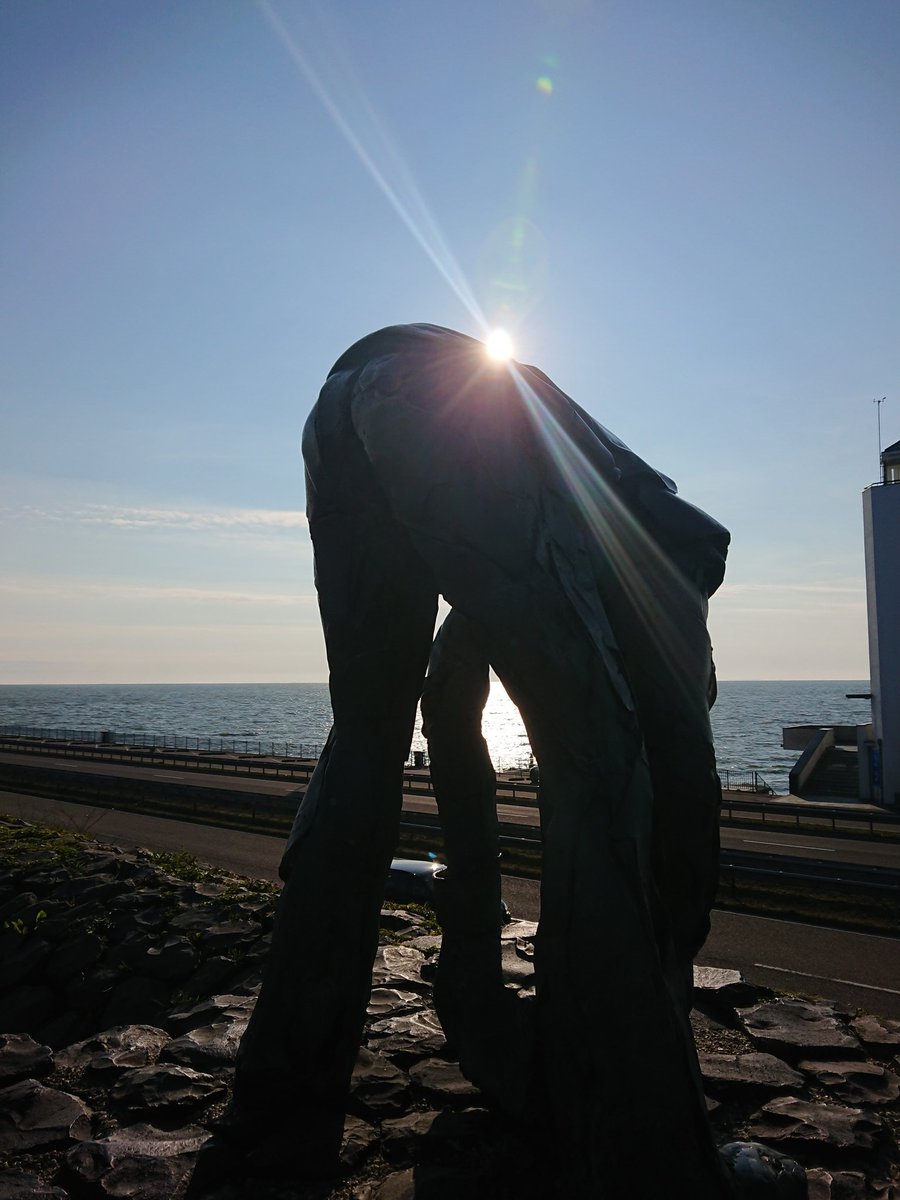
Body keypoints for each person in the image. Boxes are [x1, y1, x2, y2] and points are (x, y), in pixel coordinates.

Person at [234, 324, 730, 1196]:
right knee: (604, 771)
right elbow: (681, 796)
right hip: (453, 404)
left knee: (361, 743)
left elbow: (453, 683)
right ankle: (648, 1157)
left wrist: (473, 936)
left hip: (346, 401)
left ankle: (278, 1107)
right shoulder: (672, 567)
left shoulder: (575, 519)